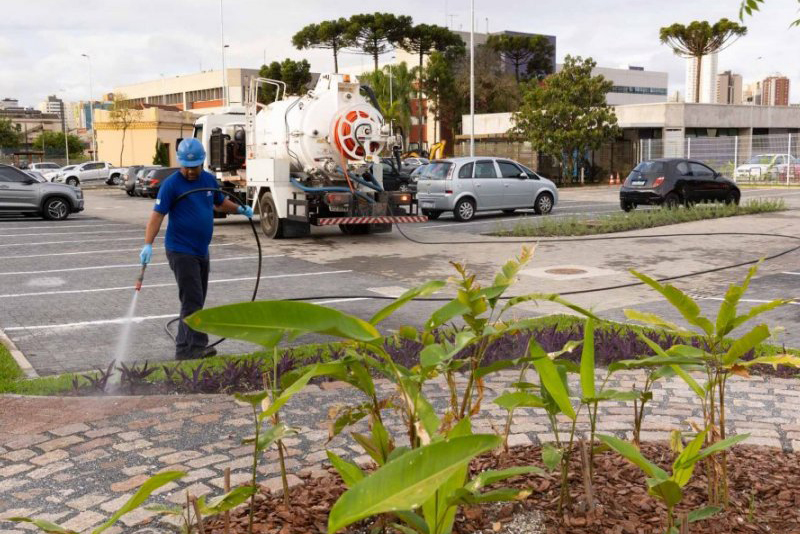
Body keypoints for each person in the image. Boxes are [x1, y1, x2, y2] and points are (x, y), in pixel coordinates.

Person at [139, 138, 254, 360]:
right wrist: (147, 244)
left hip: (202, 250)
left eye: (194, 167)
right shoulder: (171, 185)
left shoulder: (209, 180)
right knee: (192, 300)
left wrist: (240, 209)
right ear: (180, 163)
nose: (190, 172)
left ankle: (188, 347)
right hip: (181, 250)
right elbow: (157, 216)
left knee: (196, 300)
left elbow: (219, 203)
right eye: (186, 167)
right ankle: (193, 348)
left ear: (202, 162)